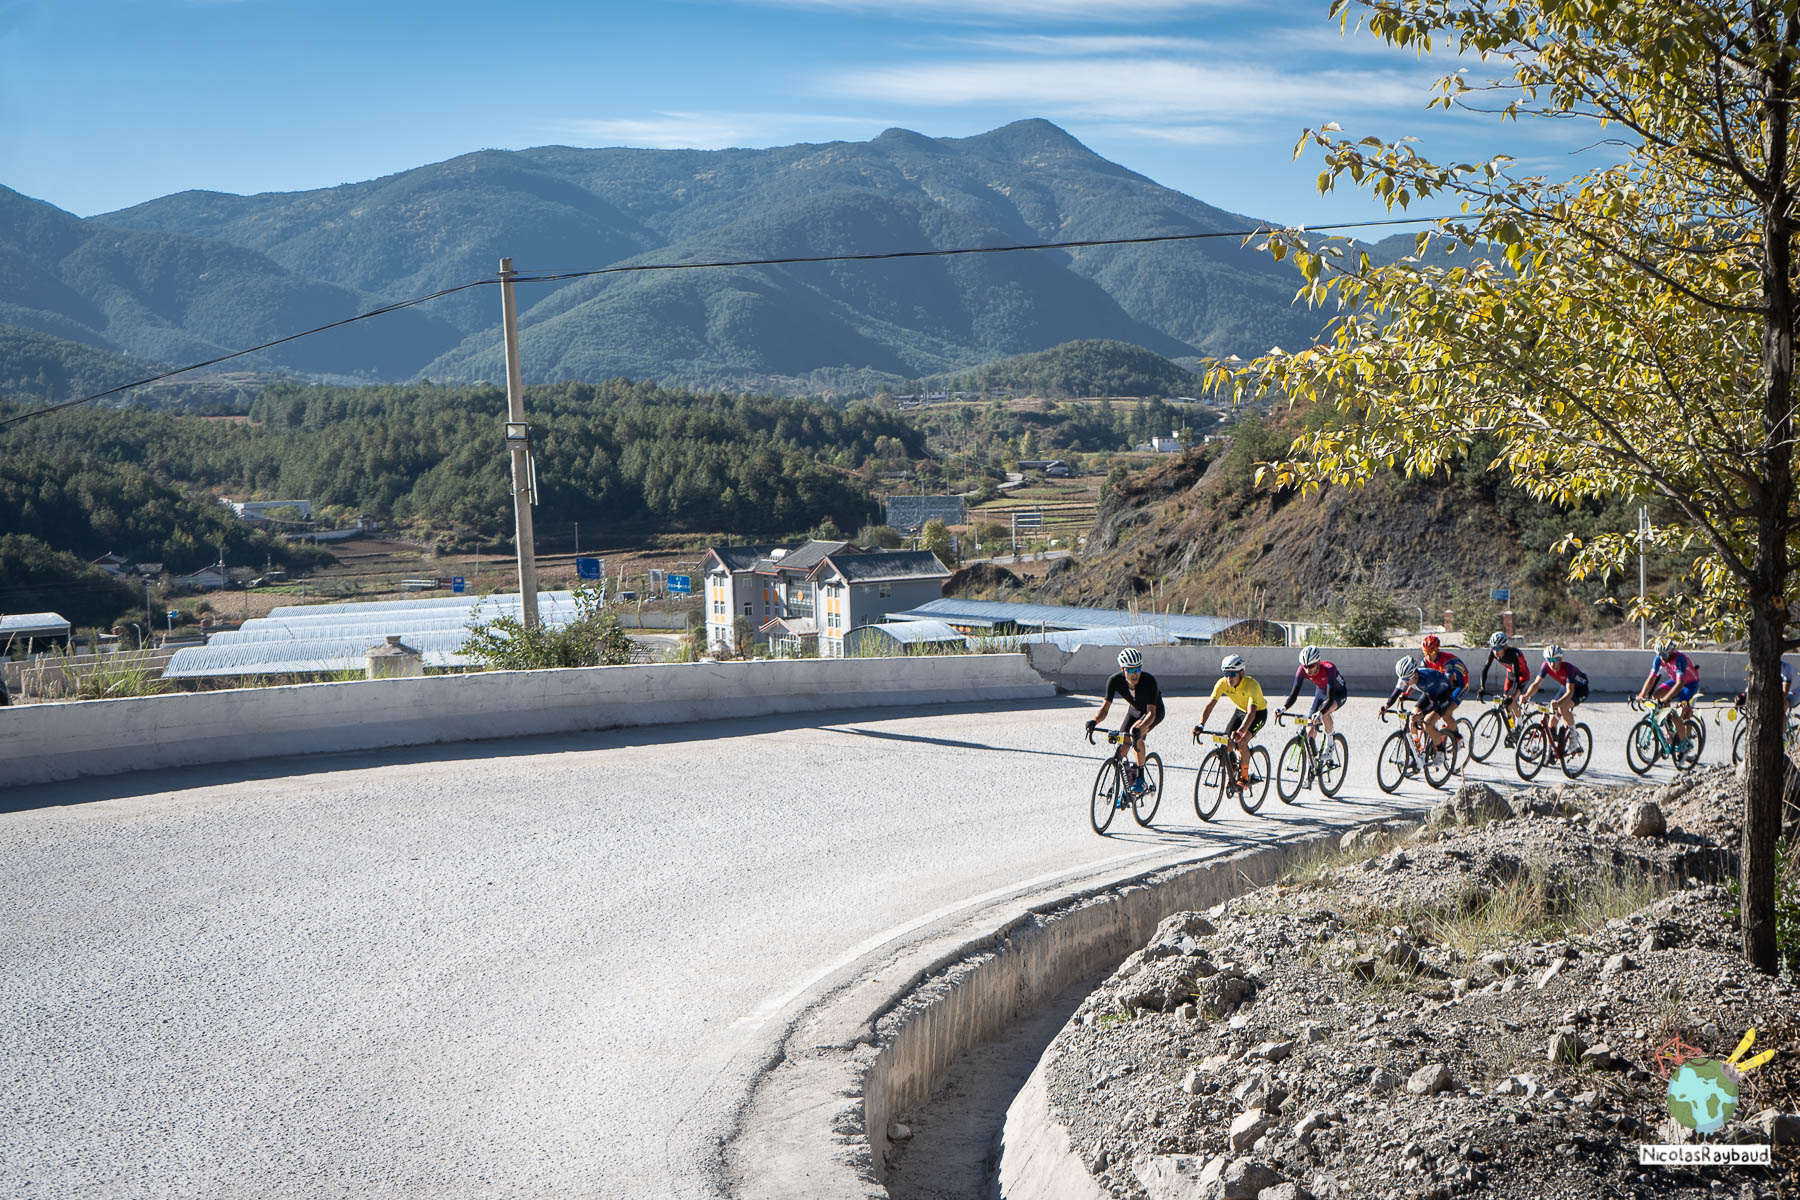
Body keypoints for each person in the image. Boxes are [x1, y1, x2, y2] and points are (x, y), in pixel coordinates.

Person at [1086, 648, 1162, 794]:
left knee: (1135, 733)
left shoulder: (1149, 681)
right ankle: (1128, 780)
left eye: (1138, 669)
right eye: (1131, 670)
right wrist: (1095, 721)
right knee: (1122, 748)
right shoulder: (1115, 680)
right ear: (1122, 669)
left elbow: (1151, 713)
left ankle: (1140, 777)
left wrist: (1140, 729)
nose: (1135, 674)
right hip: (1134, 710)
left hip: (1153, 712)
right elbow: (1105, 708)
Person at [1196, 653, 1267, 786]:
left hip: (1258, 714)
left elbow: (1251, 713)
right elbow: (1210, 705)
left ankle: (1244, 777)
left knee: (1242, 742)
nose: (1229, 678)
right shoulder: (1222, 683)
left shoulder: (1252, 685)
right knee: (1226, 741)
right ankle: (1233, 766)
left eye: (1232, 674)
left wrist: (1240, 732)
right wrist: (1201, 724)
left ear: (1241, 673)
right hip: (1240, 711)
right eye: (1226, 674)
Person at [1280, 645, 1348, 766]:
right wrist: (1283, 708)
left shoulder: (1329, 669)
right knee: (1309, 730)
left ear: (1317, 662)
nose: (1307, 670)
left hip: (1337, 694)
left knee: (1324, 712)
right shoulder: (1301, 670)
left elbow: (1331, 697)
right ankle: (1311, 766)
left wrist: (1321, 713)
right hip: (1321, 693)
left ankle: (1330, 745)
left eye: (1311, 666)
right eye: (1305, 666)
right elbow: (1294, 694)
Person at [1384, 654, 1457, 757]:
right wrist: (1386, 707)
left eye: (1408, 679)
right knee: (1412, 717)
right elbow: (1396, 692)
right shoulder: (1406, 676)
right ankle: (1416, 745)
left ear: (1415, 674)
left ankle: (1440, 751)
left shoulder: (1426, 680)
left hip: (1443, 696)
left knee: (1428, 723)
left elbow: (1434, 704)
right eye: (1404, 680)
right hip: (1430, 693)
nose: (1406, 683)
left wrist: (1421, 714)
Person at [1520, 644, 1587, 752]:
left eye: (1555, 659)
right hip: (1565, 687)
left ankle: (1573, 737)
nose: (1552, 663)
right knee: (1552, 719)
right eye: (1549, 660)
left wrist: (1559, 702)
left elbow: (1570, 692)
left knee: (1562, 709)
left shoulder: (1568, 668)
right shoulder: (1545, 666)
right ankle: (1552, 748)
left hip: (1579, 689)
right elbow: (1536, 684)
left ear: (1560, 659)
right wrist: (1526, 695)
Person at [1638, 640, 1701, 743]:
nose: (1662, 658)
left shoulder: (1680, 659)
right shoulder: (1659, 658)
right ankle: (1670, 730)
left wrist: (1666, 699)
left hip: (1690, 684)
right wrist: (1642, 694)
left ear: (1671, 652)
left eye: (1664, 655)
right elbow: (1652, 678)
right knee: (1657, 695)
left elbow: (1680, 684)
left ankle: (1684, 743)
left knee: (1679, 714)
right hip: (1675, 680)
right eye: (1659, 655)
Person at [1478, 631, 1530, 743]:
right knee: (1506, 705)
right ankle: (1512, 729)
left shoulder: (1512, 654)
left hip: (1521, 676)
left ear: (1505, 647)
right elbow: (1485, 669)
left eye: (1498, 648)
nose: (1495, 651)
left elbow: (1517, 677)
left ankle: (1520, 724)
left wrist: (1512, 696)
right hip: (1510, 675)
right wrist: (1482, 687)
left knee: (1511, 700)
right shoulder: (1493, 652)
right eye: (1493, 648)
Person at [1420, 633, 1469, 724]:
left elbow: (1449, 686)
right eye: (1426, 653)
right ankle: (1444, 734)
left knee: (1445, 713)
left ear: (1437, 650)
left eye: (1431, 652)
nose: (1429, 656)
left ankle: (1458, 737)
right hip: (1445, 682)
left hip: (1460, 684)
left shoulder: (1447, 661)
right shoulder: (1425, 661)